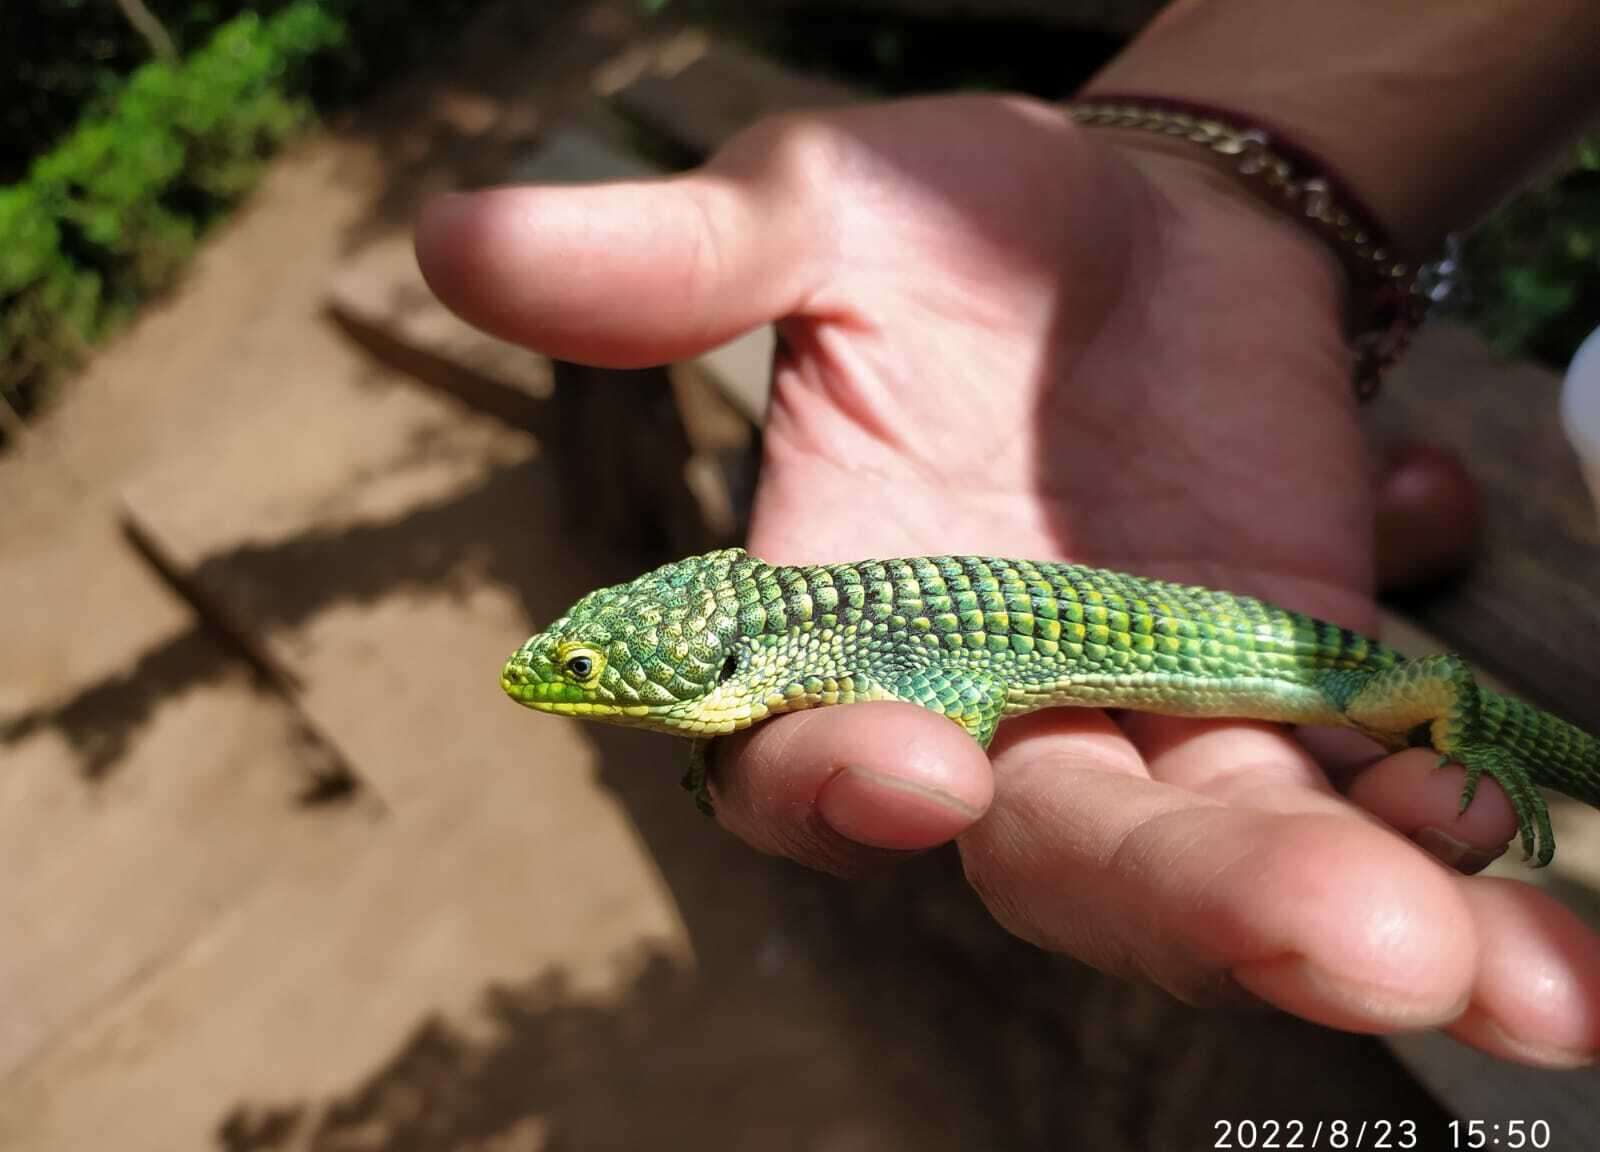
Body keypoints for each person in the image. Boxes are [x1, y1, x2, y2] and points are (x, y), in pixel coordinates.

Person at [416, 0, 1600, 1066]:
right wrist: (1204, 173)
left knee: (1421, 706)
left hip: (1296, 660)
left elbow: (965, 707)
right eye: (574, 657)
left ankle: (1490, 731)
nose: (548, 674)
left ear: (724, 659)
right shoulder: (799, 640)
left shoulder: (842, 645)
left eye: (579, 666)